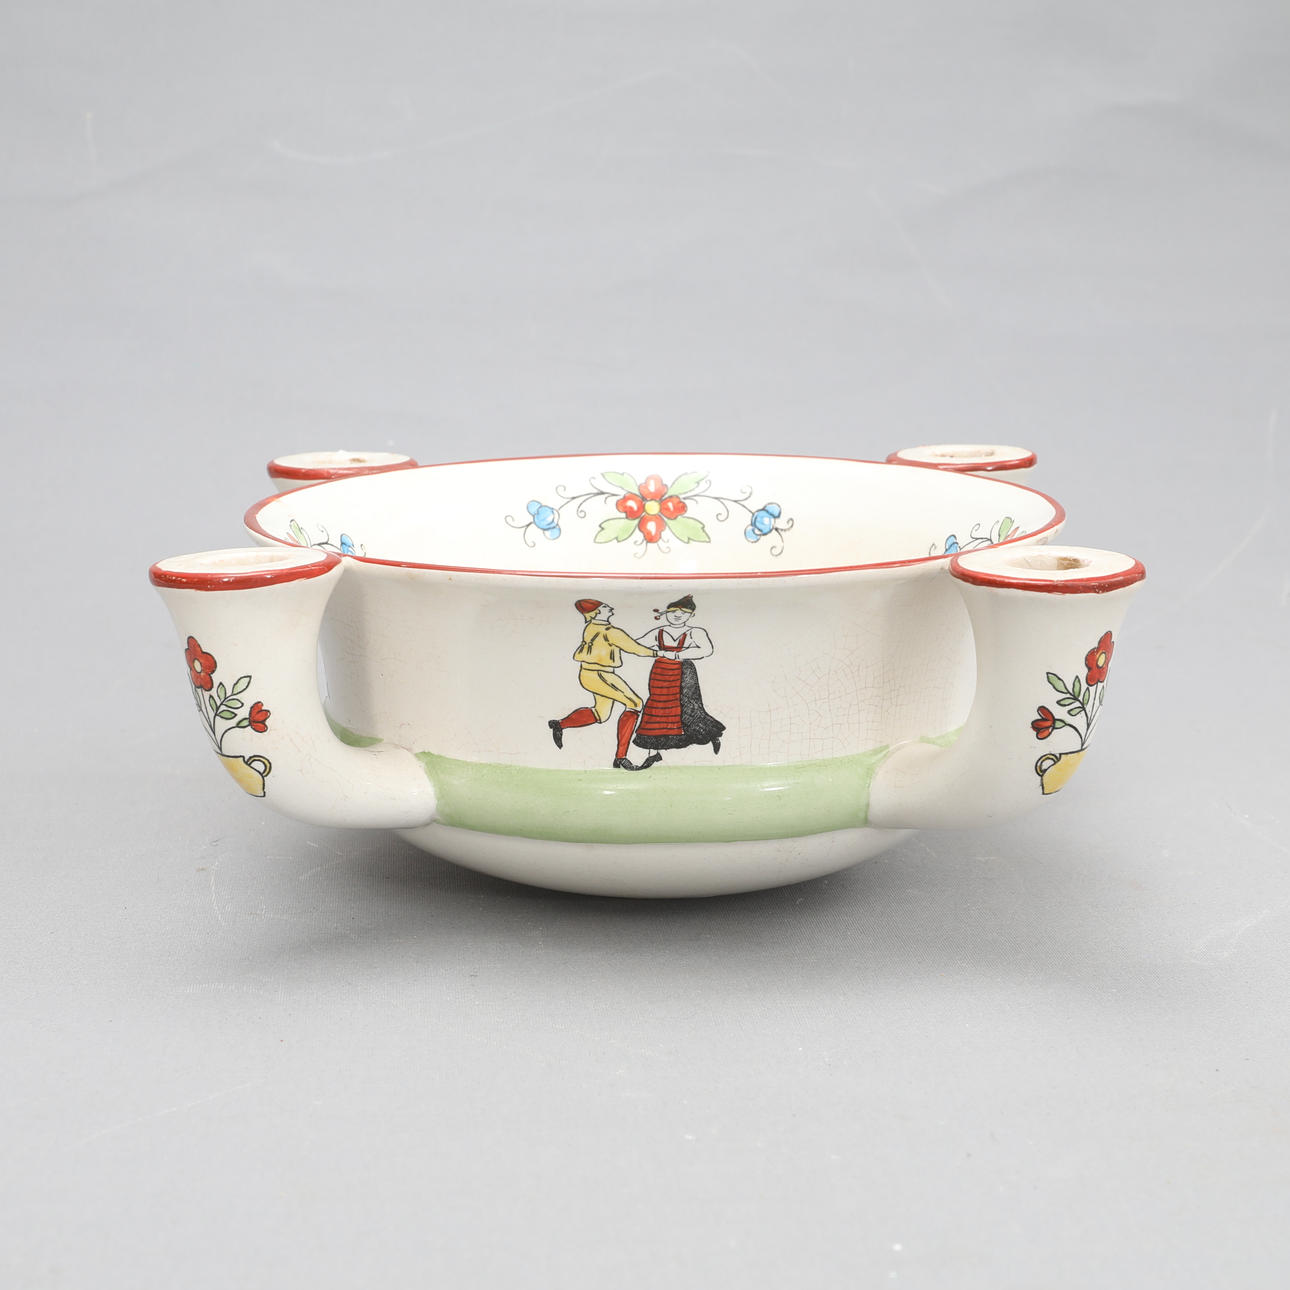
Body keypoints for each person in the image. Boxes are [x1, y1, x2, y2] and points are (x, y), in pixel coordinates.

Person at [548, 599, 658, 770]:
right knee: (635, 703)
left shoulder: (591, 627)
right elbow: (634, 648)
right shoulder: (610, 631)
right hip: (600, 674)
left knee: (601, 714)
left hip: (590, 673)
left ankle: (560, 724)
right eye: (606, 607)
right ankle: (621, 757)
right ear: (597, 612)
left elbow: (627, 642)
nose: (611, 607)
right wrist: (659, 653)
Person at [632, 594, 724, 765]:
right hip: (660, 673)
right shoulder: (658, 632)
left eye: (683, 613)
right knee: (657, 706)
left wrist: (676, 655)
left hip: (683, 672)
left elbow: (706, 649)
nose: (677, 616)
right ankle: (654, 751)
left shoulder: (695, 632)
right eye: (673, 612)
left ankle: (709, 735)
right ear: (665, 613)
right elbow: (637, 645)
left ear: (691, 615)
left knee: (688, 707)